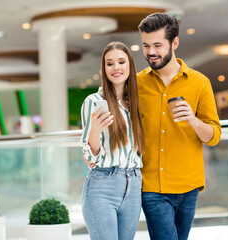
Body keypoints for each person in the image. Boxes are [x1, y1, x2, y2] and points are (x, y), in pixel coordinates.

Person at [137, 13, 222, 240]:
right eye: (146, 45)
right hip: (152, 187)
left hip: (189, 187)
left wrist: (193, 121)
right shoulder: (136, 84)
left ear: (174, 43)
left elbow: (214, 136)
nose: (151, 52)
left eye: (157, 45)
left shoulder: (199, 82)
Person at [80, 41, 145, 240]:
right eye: (110, 63)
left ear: (130, 65)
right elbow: (90, 155)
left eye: (121, 62)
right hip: (103, 185)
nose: (116, 67)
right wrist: (94, 132)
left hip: (134, 184)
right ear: (104, 68)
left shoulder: (136, 102)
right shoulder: (93, 102)